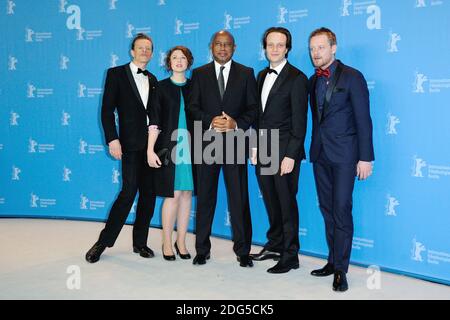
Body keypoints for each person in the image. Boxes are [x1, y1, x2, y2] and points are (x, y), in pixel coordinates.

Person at [308, 28, 374, 291]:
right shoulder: (313, 81)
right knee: (327, 210)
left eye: (321, 47)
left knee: (341, 210)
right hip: (320, 154)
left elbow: (363, 119)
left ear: (333, 48)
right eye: (312, 48)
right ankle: (332, 260)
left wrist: (365, 158)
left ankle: (341, 270)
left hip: (346, 156)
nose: (315, 53)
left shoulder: (353, 77)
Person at [187, 30, 258, 267]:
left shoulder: (247, 73)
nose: (223, 48)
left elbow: (253, 109)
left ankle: (243, 250)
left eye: (227, 45)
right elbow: (192, 107)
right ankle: (201, 249)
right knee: (205, 198)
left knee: (239, 199)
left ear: (234, 48)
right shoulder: (199, 74)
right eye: (218, 44)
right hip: (207, 144)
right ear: (211, 46)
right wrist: (210, 120)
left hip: (235, 144)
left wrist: (235, 123)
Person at [85, 33, 157, 263]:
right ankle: (103, 242)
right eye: (140, 47)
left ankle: (140, 243)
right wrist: (112, 139)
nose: (145, 51)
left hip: (152, 147)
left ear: (152, 53)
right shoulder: (116, 74)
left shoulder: (154, 79)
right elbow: (107, 111)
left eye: (148, 48)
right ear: (132, 51)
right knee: (128, 193)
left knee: (148, 195)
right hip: (129, 145)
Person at [249, 27, 308, 274]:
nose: (274, 49)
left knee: (286, 203)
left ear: (287, 48)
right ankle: (275, 244)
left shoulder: (297, 78)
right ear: (265, 47)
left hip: (284, 151)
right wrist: (253, 146)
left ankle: (291, 254)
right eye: (270, 44)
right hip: (263, 148)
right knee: (271, 201)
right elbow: (257, 117)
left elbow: (300, 123)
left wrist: (290, 156)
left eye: (279, 45)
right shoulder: (261, 75)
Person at [147, 46, 195, 261]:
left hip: (194, 149)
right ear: (169, 62)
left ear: (188, 62)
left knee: (186, 195)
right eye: (174, 58)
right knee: (173, 195)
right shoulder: (161, 87)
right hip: (170, 147)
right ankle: (167, 240)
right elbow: (154, 120)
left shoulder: (195, 87)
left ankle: (181, 241)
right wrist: (150, 149)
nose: (178, 61)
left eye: (182, 58)